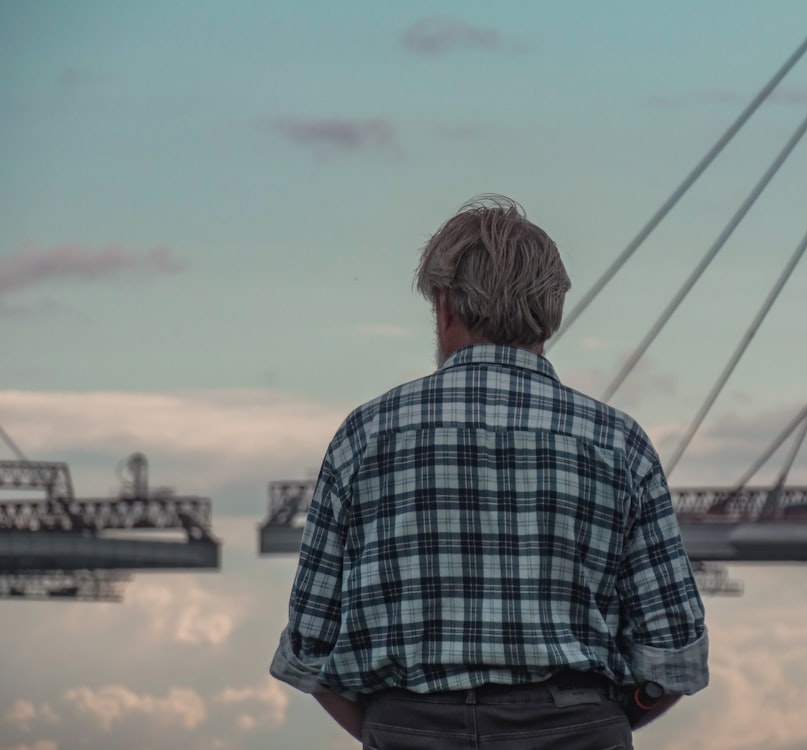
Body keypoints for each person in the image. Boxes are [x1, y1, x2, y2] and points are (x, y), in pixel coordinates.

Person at [270, 195, 708, 748]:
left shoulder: (366, 436)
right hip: (577, 729)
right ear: (551, 312)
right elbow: (677, 654)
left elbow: (310, 648)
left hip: (410, 726)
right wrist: (604, 721)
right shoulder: (618, 444)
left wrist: (392, 727)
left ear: (445, 307)